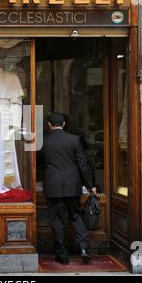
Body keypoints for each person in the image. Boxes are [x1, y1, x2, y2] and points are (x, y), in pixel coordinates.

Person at [40, 112, 97, 265]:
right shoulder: (74, 139)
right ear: (64, 124)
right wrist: (90, 186)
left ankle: (62, 256)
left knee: (57, 221)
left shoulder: (43, 141)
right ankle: (84, 248)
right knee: (75, 216)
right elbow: (82, 165)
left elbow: (39, 164)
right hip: (72, 185)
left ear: (49, 125)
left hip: (53, 185)